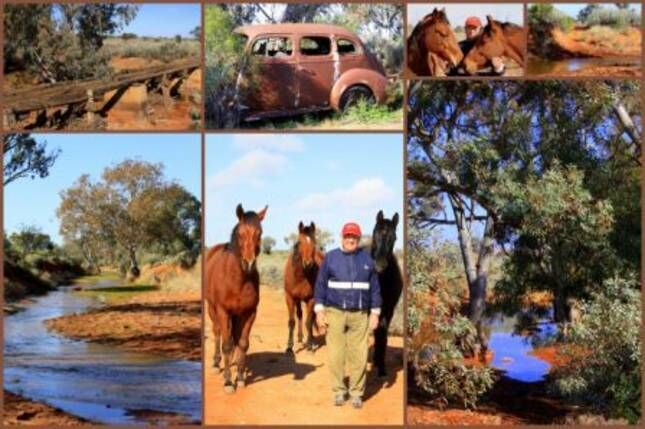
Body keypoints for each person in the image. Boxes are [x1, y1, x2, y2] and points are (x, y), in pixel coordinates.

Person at [314, 222, 381, 409]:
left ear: (358, 239)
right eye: (347, 236)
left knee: (359, 355)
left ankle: (356, 393)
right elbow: (320, 286)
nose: (350, 239)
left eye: (354, 236)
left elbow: (375, 289)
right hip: (335, 313)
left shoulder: (367, 260)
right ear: (342, 237)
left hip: (360, 315)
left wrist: (375, 313)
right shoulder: (331, 258)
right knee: (336, 354)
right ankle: (338, 391)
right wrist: (319, 311)